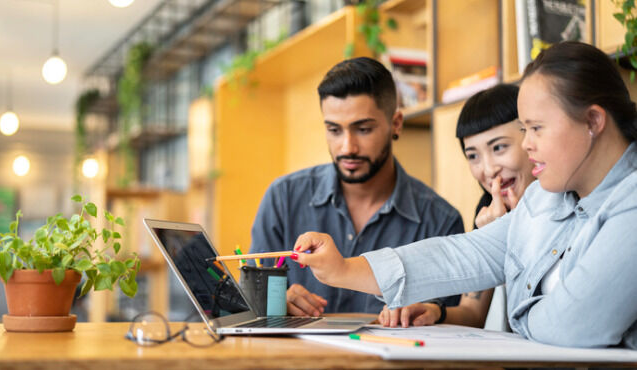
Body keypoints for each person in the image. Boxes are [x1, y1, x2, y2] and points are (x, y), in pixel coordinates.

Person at [290, 41, 637, 348]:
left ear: (592, 121)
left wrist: (519, 320)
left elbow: (573, 324)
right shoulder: (546, 198)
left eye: (536, 128)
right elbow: (462, 254)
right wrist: (344, 269)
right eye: (524, 129)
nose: (527, 144)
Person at [249, 57, 465, 316]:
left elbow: (445, 327)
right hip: (296, 356)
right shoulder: (283, 198)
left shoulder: (440, 222)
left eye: (363, 129)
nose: (347, 147)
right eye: (334, 130)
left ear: (396, 123)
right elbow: (251, 299)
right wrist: (274, 303)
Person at [379, 84, 536, 329]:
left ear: (532, 139)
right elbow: (472, 312)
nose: (487, 169)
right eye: (473, 155)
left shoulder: (565, 202)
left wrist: (511, 236)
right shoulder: (488, 211)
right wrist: (435, 311)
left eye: (498, 148)